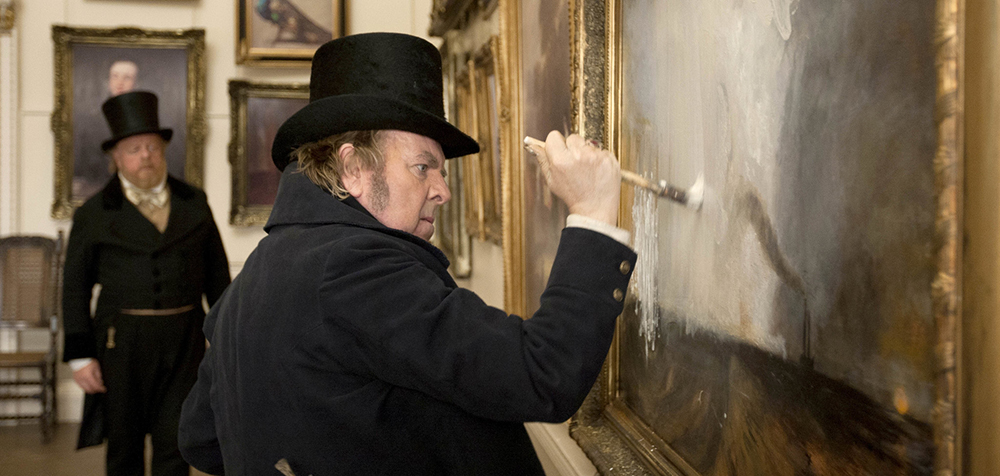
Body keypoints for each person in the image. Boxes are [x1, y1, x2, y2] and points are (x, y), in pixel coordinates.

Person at [178, 32, 635, 476]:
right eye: (422, 167)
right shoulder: (357, 268)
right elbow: (542, 372)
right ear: (353, 167)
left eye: (441, 172)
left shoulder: (257, 271)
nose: (442, 191)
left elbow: (201, 438)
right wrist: (592, 212)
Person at [62, 90, 232, 476]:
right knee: (124, 444)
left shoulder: (194, 202)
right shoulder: (94, 214)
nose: (145, 156)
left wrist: (223, 337)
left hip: (185, 340)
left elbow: (218, 276)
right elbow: (75, 287)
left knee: (177, 439)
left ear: (163, 151)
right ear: (116, 157)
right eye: (134, 149)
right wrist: (81, 356)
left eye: (152, 147)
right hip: (120, 343)